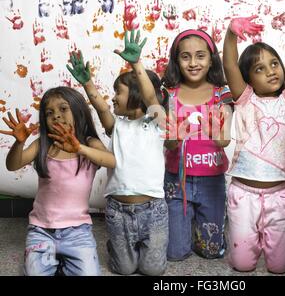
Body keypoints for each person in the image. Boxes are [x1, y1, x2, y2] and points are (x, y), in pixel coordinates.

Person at [66, 29, 169, 276]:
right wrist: (87, 83)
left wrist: (136, 64)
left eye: (118, 93)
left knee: (153, 271)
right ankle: (119, 246)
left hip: (153, 209)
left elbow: (150, 96)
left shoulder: (157, 123)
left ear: (135, 95)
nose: (112, 98)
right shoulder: (117, 126)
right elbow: (100, 106)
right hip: (118, 211)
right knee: (123, 269)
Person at [0, 87, 116, 276]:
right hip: (42, 230)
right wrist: (19, 143)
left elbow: (112, 161)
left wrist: (79, 149)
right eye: (49, 113)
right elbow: (13, 165)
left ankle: (64, 262)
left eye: (63, 109)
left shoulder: (89, 144)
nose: (56, 116)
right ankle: (57, 262)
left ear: (78, 112)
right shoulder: (42, 145)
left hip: (78, 232)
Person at [223, 15, 285, 273]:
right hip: (243, 194)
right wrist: (231, 34)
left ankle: (274, 246)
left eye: (274, 64)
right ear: (248, 79)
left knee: (280, 268)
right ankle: (250, 243)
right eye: (260, 68)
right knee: (243, 265)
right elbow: (229, 67)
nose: (271, 71)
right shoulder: (245, 99)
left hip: (279, 195)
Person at [162, 29, 233, 261]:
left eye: (200, 56)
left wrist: (215, 133)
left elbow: (225, 139)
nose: (193, 63)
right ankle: (183, 227)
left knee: (212, 253)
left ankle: (208, 227)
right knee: (175, 253)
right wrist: (173, 137)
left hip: (211, 180)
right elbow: (169, 145)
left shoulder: (221, 93)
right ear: (177, 60)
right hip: (176, 179)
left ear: (211, 59)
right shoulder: (170, 94)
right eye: (185, 57)